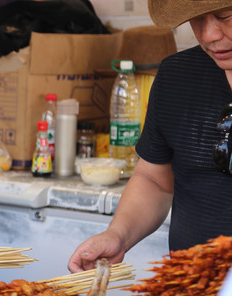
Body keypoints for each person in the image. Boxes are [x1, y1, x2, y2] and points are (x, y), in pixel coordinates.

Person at [68, 0, 232, 272]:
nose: (208, 35)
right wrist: (118, 235)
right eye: (197, 20)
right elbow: (155, 179)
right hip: (190, 293)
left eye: (224, 16)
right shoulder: (177, 76)